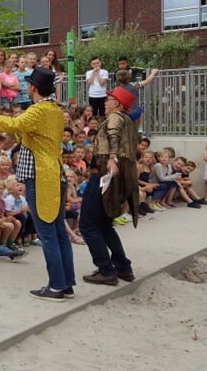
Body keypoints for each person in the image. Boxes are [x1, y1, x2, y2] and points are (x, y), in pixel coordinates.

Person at [0, 66, 75, 302]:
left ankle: (56, 286)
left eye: (29, 83)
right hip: (53, 174)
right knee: (58, 233)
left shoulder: (39, 110)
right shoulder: (55, 109)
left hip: (42, 177)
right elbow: (21, 130)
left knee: (48, 234)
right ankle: (65, 283)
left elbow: (14, 125)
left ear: (34, 87)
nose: (26, 87)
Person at [78, 86, 140, 286]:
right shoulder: (130, 122)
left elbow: (113, 136)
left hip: (105, 176)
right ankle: (123, 267)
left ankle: (106, 269)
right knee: (105, 225)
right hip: (118, 179)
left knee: (88, 225)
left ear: (118, 104)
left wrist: (112, 158)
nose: (104, 103)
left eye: (108, 100)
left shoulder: (115, 118)